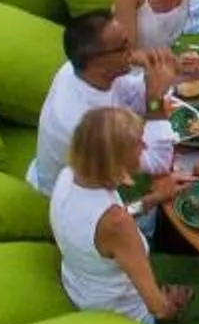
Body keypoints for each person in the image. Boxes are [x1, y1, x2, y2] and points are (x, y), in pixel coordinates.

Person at [50, 107, 199, 324]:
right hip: (127, 316)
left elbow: (106, 223)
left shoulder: (68, 176)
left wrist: (153, 199)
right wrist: (175, 303)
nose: (144, 148)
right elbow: (159, 310)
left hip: (85, 286)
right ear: (114, 160)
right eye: (137, 145)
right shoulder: (117, 224)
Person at [26, 11, 153, 194]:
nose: (132, 51)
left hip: (109, 167)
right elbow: (152, 162)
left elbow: (132, 93)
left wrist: (157, 71)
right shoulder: (84, 123)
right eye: (123, 47)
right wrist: (155, 99)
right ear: (97, 61)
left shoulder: (83, 70)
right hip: (82, 203)